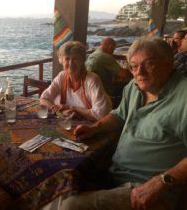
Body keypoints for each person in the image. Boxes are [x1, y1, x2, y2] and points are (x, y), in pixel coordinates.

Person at [41, 37, 187, 210]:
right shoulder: (134, 86)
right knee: (57, 187)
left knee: (69, 206)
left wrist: (163, 181)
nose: (139, 72)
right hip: (114, 171)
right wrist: (94, 128)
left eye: (149, 64)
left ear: (168, 63)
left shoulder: (183, 96)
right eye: (133, 66)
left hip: (148, 187)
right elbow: (119, 115)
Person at [40, 41, 111, 122]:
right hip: (68, 123)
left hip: (91, 127)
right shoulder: (62, 76)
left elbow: (100, 115)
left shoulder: (92, 80)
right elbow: (44, 99)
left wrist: (73, 108)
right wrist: (59, 112)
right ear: (61, 61)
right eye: (67, 58)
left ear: (82, 60)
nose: (70, 63)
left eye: (75, 59)